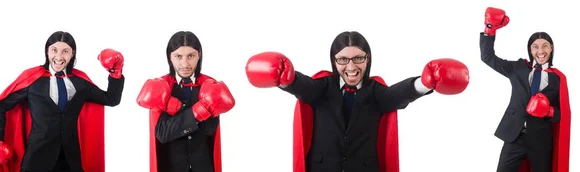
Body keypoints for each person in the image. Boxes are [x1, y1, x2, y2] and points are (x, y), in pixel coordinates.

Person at [244, 31, 470, 172]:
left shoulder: (376, 92)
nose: (351, 67)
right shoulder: (322, 88)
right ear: (334, 61)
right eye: (343, 59)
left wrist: (424, 83)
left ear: (367, 58)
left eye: (358, 58)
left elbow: (396, 95)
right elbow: (304, 87)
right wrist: (286, 78)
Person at [0, 31, 125, 172]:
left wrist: (116, 72)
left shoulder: (81, 82)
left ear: (72, 54)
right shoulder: (32, 79)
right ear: (47, 51)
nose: (59, 56)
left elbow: (111, 99)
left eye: (65, 51)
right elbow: (2, 105)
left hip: (71, 159)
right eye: (54, 50)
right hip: (37, 158)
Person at [481, 7, 571, 172]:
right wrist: (489, 29)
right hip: (515, 137)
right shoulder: (518, 68)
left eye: (545, 46)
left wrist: (549, 111)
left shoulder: (558, 78)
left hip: (541, 140)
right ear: (530, 50)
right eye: (535, 47)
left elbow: (562, 114)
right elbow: (488, 58)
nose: (540, 51)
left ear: (551, 48)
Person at [136, 31, 235, 172]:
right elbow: (163, 134)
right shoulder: (164, 86)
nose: (185, 63)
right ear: (170, 57)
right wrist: (198, 111)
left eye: (191, 56)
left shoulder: (208, 85)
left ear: (199, 55)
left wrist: (177, 113)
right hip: (171, 167)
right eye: (178, 56)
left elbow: (209, 129)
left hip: (204, 167)